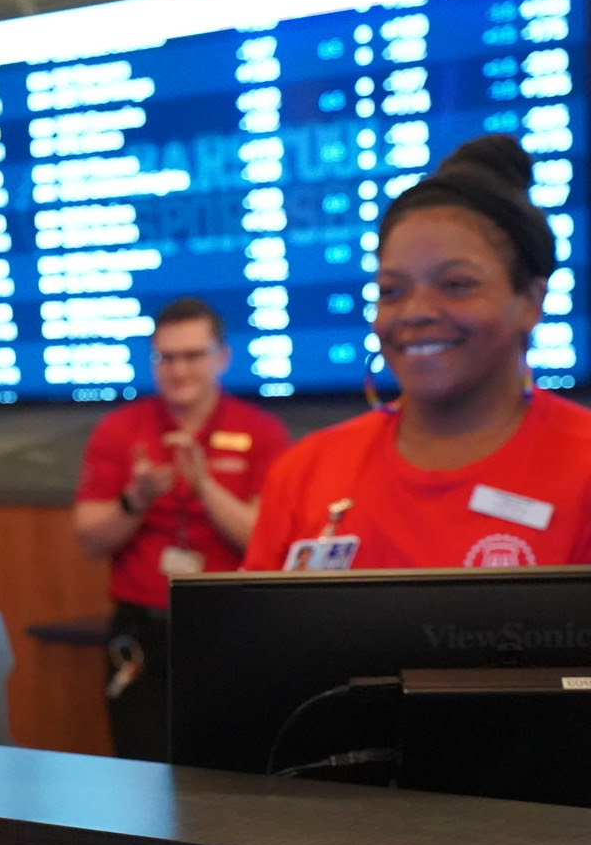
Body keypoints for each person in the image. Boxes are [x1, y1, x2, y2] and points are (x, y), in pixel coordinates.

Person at [245, 134, 591, 571]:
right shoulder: (304, 472)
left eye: (456, 285)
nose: (415, 312)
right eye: (392, 290)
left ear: (530, 301)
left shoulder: (582, 466)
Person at [73, 297, 290, 760]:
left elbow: (263, 539)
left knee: (234, 772)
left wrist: (204, 484)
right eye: (165, 357)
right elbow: (89, 539)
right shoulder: (119, 430)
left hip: (232, 629)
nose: (178, 369)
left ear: (222, 358)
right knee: (143, 778)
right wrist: (138, 499)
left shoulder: (261, 431)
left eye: (192, 355)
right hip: (143, 634)